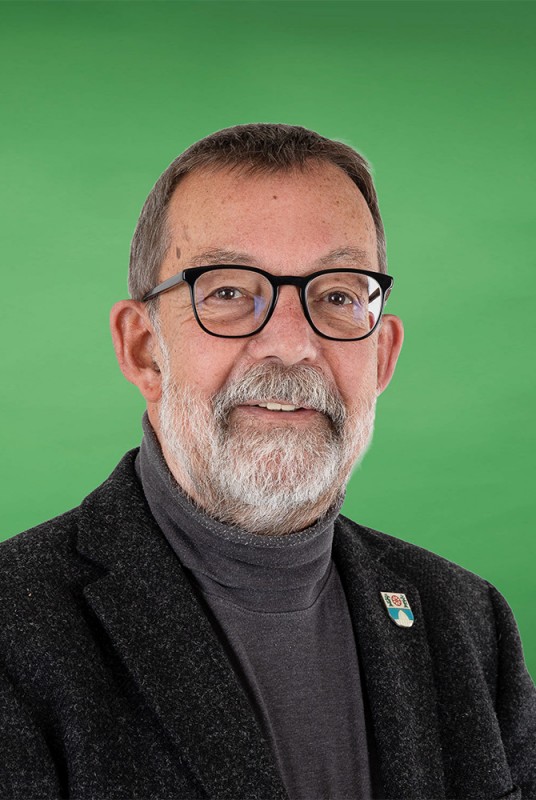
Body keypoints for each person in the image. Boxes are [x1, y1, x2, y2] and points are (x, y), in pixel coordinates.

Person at [0, 123, 534, 800]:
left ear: (382, 357)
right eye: (227, 292)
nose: (290, 344)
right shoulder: (14, 630)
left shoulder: (468, 624)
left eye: (337, 296)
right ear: (142, 348)